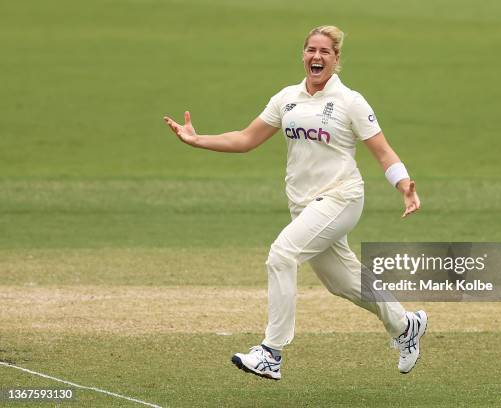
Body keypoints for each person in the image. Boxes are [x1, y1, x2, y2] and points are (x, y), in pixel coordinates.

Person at [164, 25, 427, 381]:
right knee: (343, 282)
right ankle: (405, 325)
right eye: (310, 50)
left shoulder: (350, 101)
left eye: (325, 52)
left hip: (341, 197)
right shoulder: (287, 97)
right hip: (304, 205)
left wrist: (404, 184)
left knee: (282, 254)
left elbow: (382, 151)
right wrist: (198, 140)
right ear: (303, 55)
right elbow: (245, 139)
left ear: (336, 60)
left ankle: (271, 352)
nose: (316, 57)